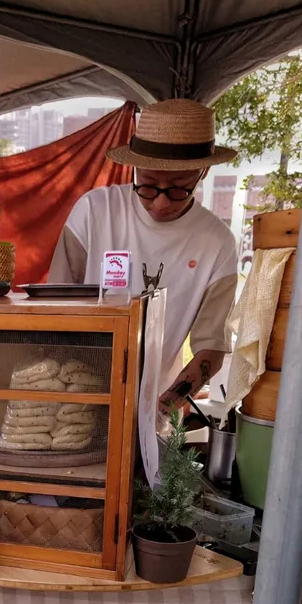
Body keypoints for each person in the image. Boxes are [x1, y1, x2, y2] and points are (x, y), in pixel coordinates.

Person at [48, 99, 239, 413]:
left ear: (203, 172)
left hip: (154, 408)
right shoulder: (95, 212)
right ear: (133, 168)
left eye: (178, 188)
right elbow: (52, 308)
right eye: (148, 185)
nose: (161, 203)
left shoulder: (217, 243)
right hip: (76, 398)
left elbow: (211, 348)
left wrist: (163, 408)